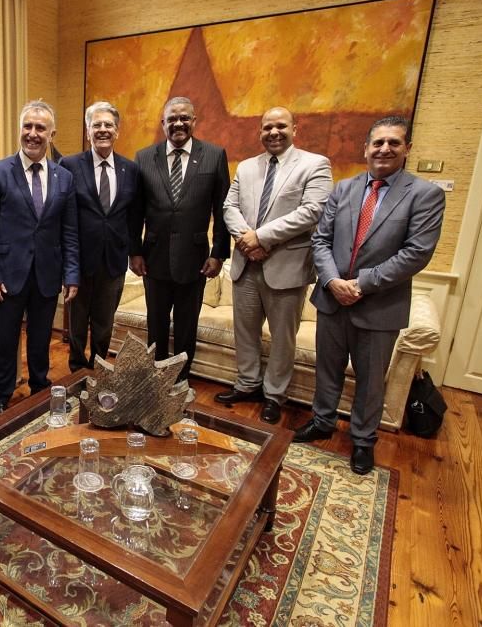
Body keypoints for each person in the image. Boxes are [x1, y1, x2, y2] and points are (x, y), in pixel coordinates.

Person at [293, 116, 445, 475]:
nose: (384, 149)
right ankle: (323, 421)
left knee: (371, 379)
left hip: (379, 305)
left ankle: (362, 440)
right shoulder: (343, 189)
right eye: (377, 143)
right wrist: (331, 282)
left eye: (394, 142)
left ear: (407, 149)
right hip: (332, 300)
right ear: (366, 149)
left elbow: (415, 253)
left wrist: (361, 284)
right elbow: (321, 240)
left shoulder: (424, 195)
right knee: (327, 370)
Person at [218, 107, 332, 423]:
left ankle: (274, 396)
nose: (274, 132)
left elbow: (312, 212)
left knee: (283, 337)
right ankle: (247, 384)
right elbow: (230, 207)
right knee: (246, 332)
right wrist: (246, 240)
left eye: (281, 126)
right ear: (260, 131)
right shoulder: (247, 167)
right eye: (267, 127)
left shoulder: (315, 165)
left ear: (295, 128)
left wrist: (261, 238)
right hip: (246, 264)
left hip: (287, 267)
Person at [0, 100, 80, 417]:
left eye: (40, 128)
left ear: (52, 133)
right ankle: (0, 397)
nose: (33, 134)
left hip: (47, 273)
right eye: (28, 126)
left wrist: (72, 274)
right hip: (8, 275)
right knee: (6, 339)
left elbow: (70, 231)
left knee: (40, 339)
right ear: (19, 129)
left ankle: (40, 390)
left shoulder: (64, 177)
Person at [130, 96, 231, 382]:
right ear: (163, 123)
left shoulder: (213, 155)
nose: (178, 124)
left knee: (187, 327)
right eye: (172, 119)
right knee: (156, 326)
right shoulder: (144, 157)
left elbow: (222, 209)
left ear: (194, 121)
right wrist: (134, 251)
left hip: (195, 258)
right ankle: (155, 380)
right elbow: (136, 210)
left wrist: (219, 253)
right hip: (154, 258)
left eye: (184, 118)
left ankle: (180, 381)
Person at [60, 101, 139, 372]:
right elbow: (62, 215)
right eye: (97, 125)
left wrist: (134, 252)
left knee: (105, 324)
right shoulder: (69, 165)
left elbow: (133, 215)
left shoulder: (130, 169)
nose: (103, 129)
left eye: (108, 125)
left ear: (117, 131)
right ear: (87, 130)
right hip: (79, 262)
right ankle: (77, 371)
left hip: (113, 261)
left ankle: (100, 369)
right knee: (77, 325)